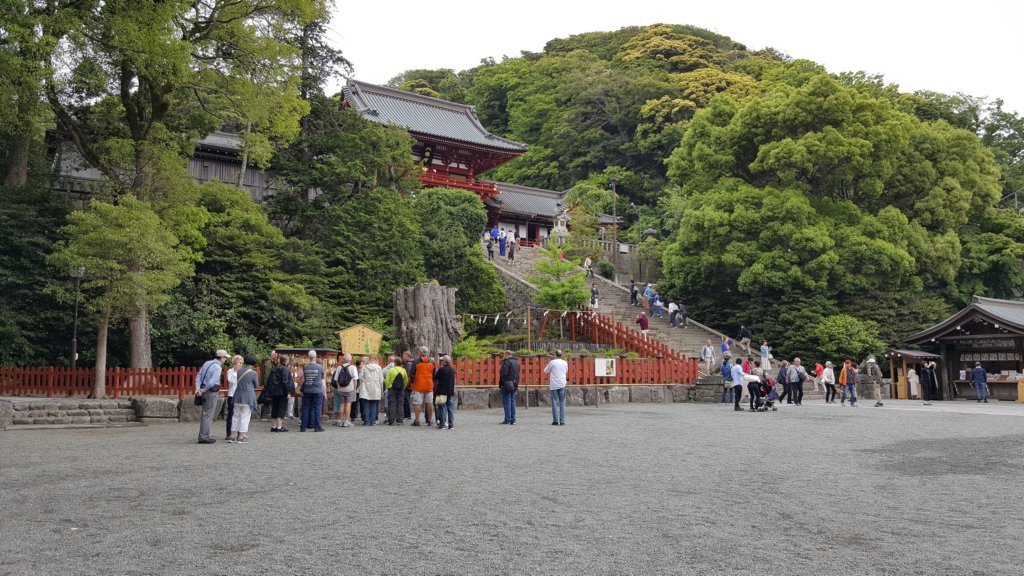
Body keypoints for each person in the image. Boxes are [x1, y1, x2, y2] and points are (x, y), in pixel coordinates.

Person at [195, 350, 228, 444]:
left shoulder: (207, 363)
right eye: (225, 357)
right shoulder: (218, 367)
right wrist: (204, 389)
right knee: (208, 415)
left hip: (202, 390)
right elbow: (213, 381)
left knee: (205, 414)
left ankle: (203, 435)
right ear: (222, 357)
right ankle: (204, 436)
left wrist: (198, 388)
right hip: (211, 392)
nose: (225, 359)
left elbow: (199, 376)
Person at [228, 355, 258, 444]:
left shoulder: (239, 371)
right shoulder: (253, 373)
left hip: (237, 396)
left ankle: (232, 436)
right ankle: (241, 437)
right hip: (248, 397)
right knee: (245, 417)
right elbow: (256, 385)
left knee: (235, 416)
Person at [299, 350, 325, 432]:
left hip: (307, 390)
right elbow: (323, 381)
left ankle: (303, 426)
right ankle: (317, 427)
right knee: (317, 409)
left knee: (305, 408)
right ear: (315, 356)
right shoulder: (320, 367)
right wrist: (324, 391)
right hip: (317, 390)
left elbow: (305, 379)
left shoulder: (305, 367)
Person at [410, 346, 435, 426]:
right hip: (429, 385)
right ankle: (430, 420)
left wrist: (413, 383)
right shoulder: (432, 361)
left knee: (418, 403)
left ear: (420, 353)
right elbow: (434, 373)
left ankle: (417, 421)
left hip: (418, 386)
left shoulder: (416, 361)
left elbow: (412, 373)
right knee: (430, 402)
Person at [331, 354, 359, 427]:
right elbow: (355, 379)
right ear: (350, 359)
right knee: (348, 404)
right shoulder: (353, 367)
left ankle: (340, 420)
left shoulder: (339, 367)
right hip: (350, 389)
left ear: (343, 359)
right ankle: (346, 421)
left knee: (342, 404)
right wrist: (354, 388)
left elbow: (336, 379)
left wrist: (339, 386)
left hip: (341, 389)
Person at [267, 354, 292, 432]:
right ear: (287, 361)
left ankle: (273, 426)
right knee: (281, 409)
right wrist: (288, 392)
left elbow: (269, 380)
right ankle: (279, 427)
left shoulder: (274, 368)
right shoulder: (285, 369)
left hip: (274, 392)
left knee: (274, 408)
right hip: (282, 392)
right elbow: (285, 381)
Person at [544, 349, 569, 425]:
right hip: (562, 383)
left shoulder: (552, 362)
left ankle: (555, 420)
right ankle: (562, 420)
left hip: (554, 385)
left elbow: (545, 371)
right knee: (562, 402)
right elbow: (566, 371)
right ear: (562, 355)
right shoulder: (565, 363)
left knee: (554, 402)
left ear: (555, 355)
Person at [359, 356, 383, 425]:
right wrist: (381, 388)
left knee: (366, 404)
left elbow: (360, 377)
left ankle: (366, 421)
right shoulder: (378, 368)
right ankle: (373, 421)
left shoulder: (364, 367)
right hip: (375, 387)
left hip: (366, 387)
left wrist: (363, 382)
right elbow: (381, 380)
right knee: (373, 404)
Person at [434, 355, 456, 430]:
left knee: (442, 408)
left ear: (445, 361)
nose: (441, 362)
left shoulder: (441, 370)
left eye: (442, 360)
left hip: (442, 391)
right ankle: (451, 425)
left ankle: (442, 424)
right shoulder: (452, 370)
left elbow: (436, 378)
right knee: (450, 408)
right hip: (450, 392)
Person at [384, 357, 408, 425]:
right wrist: (403, 387)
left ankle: (391, 420)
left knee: (392, 404)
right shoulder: (403, 370)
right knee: (400, 404)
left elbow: (387, 380)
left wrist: (388, 387)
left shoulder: (391, 370)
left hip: (392, 389)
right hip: (401, 389)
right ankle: (400, 419)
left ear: (395, 363)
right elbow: (406, 380)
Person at [499, 350, 520, 425]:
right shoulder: (517, 363)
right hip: (515, 384)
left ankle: (507, 419)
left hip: (507, 384)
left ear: (507, 354)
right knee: (513, 401)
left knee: (507, 401)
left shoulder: (506, 362)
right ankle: (513, 419)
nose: (503, 357)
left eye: (504, 355)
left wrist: (501, 384)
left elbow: (503, 374)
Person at [224, 354, 243, 440]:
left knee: (240, 415)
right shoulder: (230, 371)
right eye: (237, 363)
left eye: (240, 363)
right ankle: (229, 433)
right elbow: (231, 381)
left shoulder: (243, 372)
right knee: (231, 414)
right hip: (232, 394)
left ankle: (240, 433)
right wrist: (235, 372)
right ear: (234, 363)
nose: (239, 364)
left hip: (240, 395)